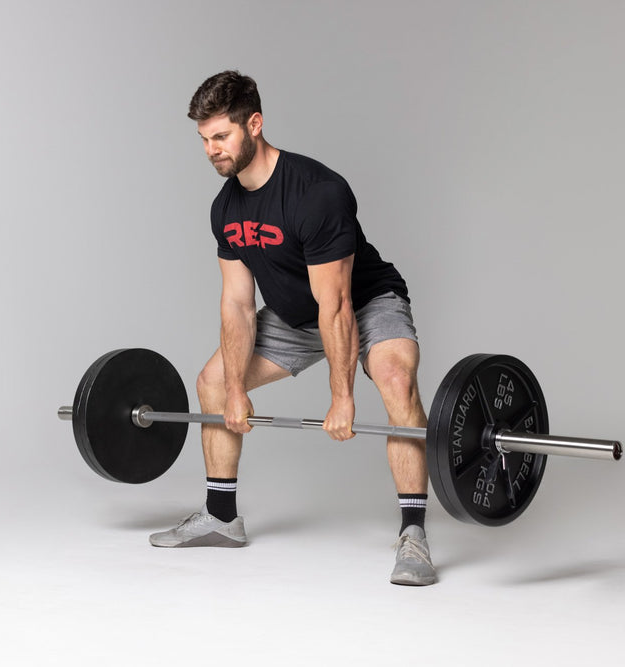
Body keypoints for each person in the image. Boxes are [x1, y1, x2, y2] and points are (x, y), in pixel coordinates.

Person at [149, 71, 436, 586]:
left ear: (254, 124)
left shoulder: (317, 193)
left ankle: (414, 535)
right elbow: (237, 304)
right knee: (213, 383)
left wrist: (342, 396)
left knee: (395, 380)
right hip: (295, 316)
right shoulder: (225, 208)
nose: (212, 150)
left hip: (363, 304)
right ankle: (221, 517)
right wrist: (236, 389)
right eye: (204, 140)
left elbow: (338, 305)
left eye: (221, 136)